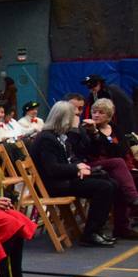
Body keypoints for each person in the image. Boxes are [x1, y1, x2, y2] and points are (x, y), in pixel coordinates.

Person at [30, 100, 117, 246]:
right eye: (72, 117)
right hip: (53, 185)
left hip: (64, 178)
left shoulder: (58, 135)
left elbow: (70, 157)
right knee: (104, 187)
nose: (75, 120)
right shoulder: (46, 139)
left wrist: (80, 166)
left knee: (110, 182)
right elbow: (52, 169)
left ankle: (96, 229)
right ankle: (90, 233)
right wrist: (76, 169)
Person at [79, 98, 137, 238]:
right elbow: (91, 152)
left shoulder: (114, 128)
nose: (96, 115)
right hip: (93, 166)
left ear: (109, 115)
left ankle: (122, 227)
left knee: (124, 180)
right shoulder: (86, 129)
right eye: (94, 112)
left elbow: (123, 149)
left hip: (115, 167)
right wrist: (94, 134)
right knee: (117, 164)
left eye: (101, 112)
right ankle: (134, 199)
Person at [84, 73, 134, 138]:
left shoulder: (112, 92)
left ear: (99, 83)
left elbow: (127, 107)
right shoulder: (92, 96)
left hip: (118, 126)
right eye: (89, 87)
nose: (91, 89)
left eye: (93, 86)